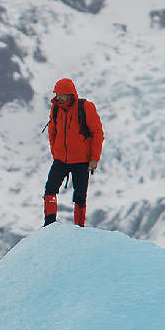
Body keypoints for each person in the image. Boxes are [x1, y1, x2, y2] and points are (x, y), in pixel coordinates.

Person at [43, 78, 104, 227]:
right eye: (57, 94)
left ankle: (79, 227)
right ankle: (49, 224)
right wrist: (55, 151)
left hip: (81, 160)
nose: (58, 97)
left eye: (61, 94)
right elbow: (52, 131)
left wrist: (94, 158)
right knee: (50, 189)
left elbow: (97, 133)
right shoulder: (55, 108)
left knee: (80, 196)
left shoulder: (86, 108)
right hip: (60, 159)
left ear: (71, 94)